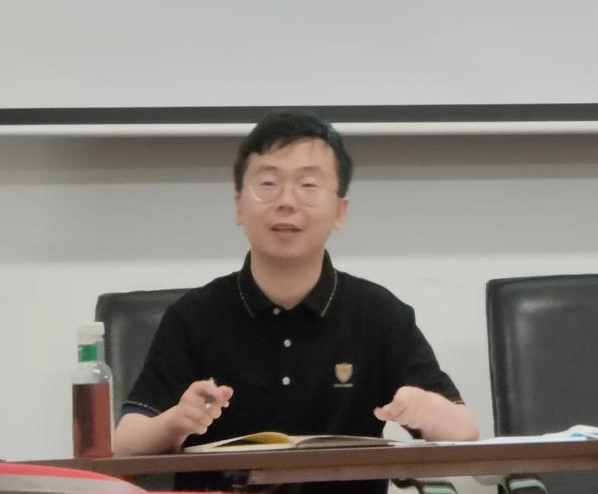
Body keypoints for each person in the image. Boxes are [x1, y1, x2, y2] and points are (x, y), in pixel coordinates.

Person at [112, 110, 477, 490]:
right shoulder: (194, 316)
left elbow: (465, 431)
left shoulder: (380, 314)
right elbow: (124, 445)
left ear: (340, 211)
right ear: (239, 206)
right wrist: (176, 422)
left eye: (308, 185)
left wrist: (427, 411)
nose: (286, 201)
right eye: (268, 184)